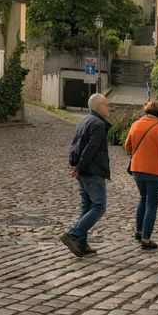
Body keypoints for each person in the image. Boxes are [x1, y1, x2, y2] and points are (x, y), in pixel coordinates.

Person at [60, 93, 111, 257]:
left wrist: (73, 165)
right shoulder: (98, 124)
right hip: (92, 171)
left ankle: (81, 243)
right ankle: (73, 234)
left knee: (87, 206)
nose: (108, 108)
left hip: (83, 171)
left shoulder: (84, 120)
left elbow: (75, 144)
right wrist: (79, 167)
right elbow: (90, 149)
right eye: (106, 104)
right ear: (97, 106)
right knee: (99, 206)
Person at [125, 101, 158, 250]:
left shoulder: (135, 125)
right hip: (155, 172)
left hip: (137, 169)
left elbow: (127, 146)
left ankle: (139, 231)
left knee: (143, 198)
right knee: (151, 204)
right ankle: (146, 240)